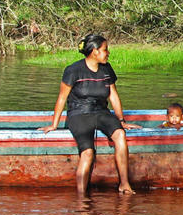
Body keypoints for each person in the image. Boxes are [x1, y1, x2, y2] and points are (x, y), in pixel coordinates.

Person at [40, 34, 139, 195]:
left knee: (120, 134)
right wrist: (54, 124)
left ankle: (124, 184)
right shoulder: (73, 70)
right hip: (79, 114)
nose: (108, 53)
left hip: (101, 112)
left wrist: (121, 120)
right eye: (105, 50)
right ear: (94, 51)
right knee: (88, 152)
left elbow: (113, 95)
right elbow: (62, 98)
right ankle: (81, 196)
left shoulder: (106, 69)